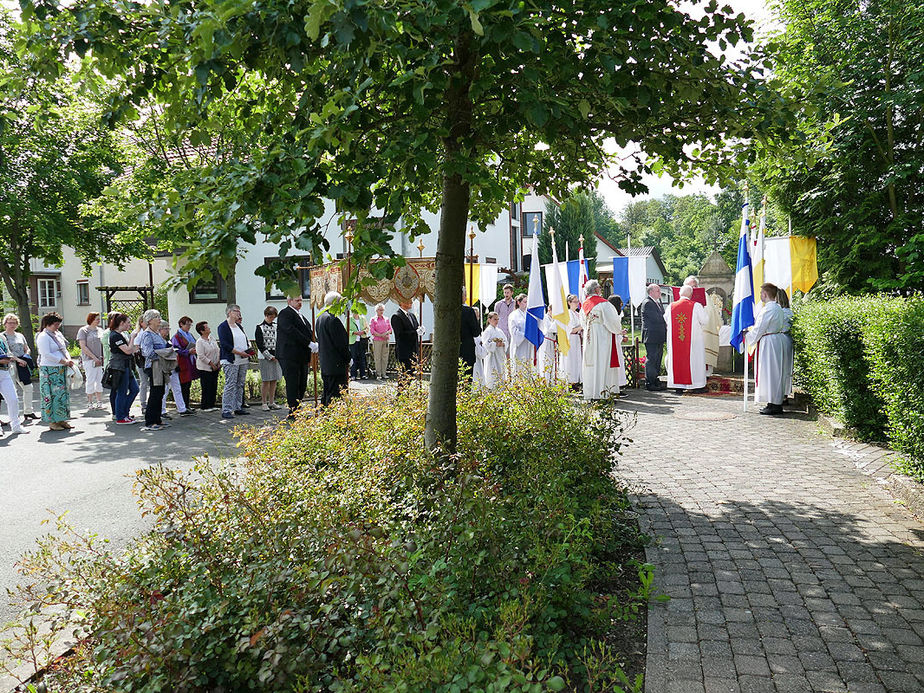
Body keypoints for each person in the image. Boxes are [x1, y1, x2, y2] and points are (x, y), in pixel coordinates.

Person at [581, 280, 627, 400]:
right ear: (596, 290)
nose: (601, 290)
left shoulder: (584, 305)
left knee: (591, 364)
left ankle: (591, 393)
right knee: (602, 364)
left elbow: (582, 323)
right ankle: (602, 394)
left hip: (589, 338)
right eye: (600, 288)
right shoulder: (604, 304)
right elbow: (613, 321)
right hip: (602, 339)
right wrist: (619, 330)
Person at [747, 283, 788, 415]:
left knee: (771, 372)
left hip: (769, 342)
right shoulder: (777, 308)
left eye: (761, 293)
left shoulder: (768, 309)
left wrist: (747, 337)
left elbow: (760, 328)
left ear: (765, 294)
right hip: (774, 341)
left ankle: (774, 404)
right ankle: (772, 401)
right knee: (774, 372)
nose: (760, 296)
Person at [275, 295, 317, 415]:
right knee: (293, 382)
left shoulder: (301, 315)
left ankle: (298, 406)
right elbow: (291, 331)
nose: (300, 302)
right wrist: (308, 343)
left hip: (301, 355)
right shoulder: (285, 314)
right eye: (297, 300)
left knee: (302, 383)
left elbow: (308, 331)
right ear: (289, 301)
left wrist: (315, 342)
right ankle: (293, 410)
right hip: (289, 355)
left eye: (301, 300)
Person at [664, 285, 708, 394]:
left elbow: (665, 319)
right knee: (694, 361)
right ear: (691, 295)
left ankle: (678, 387)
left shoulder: (670, 306)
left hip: (675, 341)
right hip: (693, 341)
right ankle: (696, 386)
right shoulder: (696, 306)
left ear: (679, 294)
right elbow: (705, 321)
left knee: (677, 360)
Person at [36, 312, 74, 431]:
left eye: (58, 324)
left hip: (60, 368)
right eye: (55, 324)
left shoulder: (57, 334)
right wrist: (63, 361)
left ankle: (61, 419)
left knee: (61, 395)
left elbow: (63, 348)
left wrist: (68, 359)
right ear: (48, 324)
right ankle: (52, 421)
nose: (57, 327)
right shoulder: (43, 336)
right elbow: (46, 354)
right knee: (51, 395)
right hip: (49, 369)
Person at [138, 309, 172, 431]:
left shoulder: (156, 333)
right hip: (153, 367)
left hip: (161, 366)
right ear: (150, 320)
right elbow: (147, 352)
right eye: (156, 317)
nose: (159, 319)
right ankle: (150, 421)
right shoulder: (147, 334)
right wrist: (164, 354)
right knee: (155, 393)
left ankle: (157, 419)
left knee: (160, 392)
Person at [218, 304, 252, 419]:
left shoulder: (239, 326)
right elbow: (225, 344)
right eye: (236, 311)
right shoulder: (223, 326)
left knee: (240, 383)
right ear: (229, 313)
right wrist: (238, 352)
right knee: (230, 384)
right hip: (231, 359)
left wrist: (247, 350)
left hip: (243, 359)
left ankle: (238, 406)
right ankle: (226, 409)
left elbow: (244, 339)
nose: (238, 313)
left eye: (239, 311)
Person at [316, 292, 350, 405]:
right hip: (335, 364)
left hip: (326, 363)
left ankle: (325, 416)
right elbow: (341, 344)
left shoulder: (320, 318)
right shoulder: (333, 320)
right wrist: (349, 358)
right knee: (335, 396)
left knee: (327, 392)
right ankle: (331, 419)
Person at [106, 312, 140, 424]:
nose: (130, 325)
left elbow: (130, 350)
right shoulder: (115, 336)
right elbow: (127, 350)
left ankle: (125, 412)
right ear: (121, 323)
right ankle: (120, 416)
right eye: (128, 323)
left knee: (135, 389)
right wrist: (132, 338)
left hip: (126, 366)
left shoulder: (120, 335)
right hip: (119, 367)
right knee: (122, 391)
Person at [3, 314, 37, 420]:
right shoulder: (2, 337)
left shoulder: (20, 335)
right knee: (13, 390)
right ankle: (14, 415)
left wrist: (26, 356)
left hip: (22, 364)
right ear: (5, 324)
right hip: (10, 365)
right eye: (10, 322)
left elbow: (27, 348)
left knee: (28, 387)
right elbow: (6, 353)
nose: (12, 325)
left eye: (14, 322)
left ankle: (28, 411)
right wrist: (18, 360)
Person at [158, 321, 191, 418]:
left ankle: (182, 408)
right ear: (160, 329)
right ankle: (162, 410)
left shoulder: (166, 340)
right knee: (165, 389)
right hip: (165, 367)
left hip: (172, 366)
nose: (168, 331)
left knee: (177, 388)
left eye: (168, 328)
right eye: (166, 328)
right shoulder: (159, 340)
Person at [255, 306, 283, 411]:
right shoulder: (260, 327)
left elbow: (279, 340)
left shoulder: (276, 327)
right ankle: (264, 402)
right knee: (266, 380)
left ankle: (272, 401)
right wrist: (269, 356)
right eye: (271, 317)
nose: (272, 319)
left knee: (274, 379)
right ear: (266, 315)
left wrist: (278, 355)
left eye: (274, 317)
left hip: (276, 356)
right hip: (265, 357)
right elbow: (260, 344)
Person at [641, 284, 667, 391]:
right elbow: (657, 318)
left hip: (658, 335)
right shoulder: (648, 303)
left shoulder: (657, 302)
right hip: (651, 335)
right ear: (651, 292)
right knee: (652, 358)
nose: (660, 293)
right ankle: (649, 382)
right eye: (658, 291)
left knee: (657, 358)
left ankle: (655, 379)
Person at [77, 312, 105, 410]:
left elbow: (104, 345)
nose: (98, 320)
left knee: (99, 380)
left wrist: (102, 357)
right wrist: (94, 357)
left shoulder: (100, 330)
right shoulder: (84, 330)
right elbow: (83, 346)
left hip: (100, 359)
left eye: (99, 319)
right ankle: (90, 401)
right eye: (96, 319)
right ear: (91, 319)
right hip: (89, 359)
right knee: (90, 379)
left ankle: (99, 401)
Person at [0, 332, 26, 436]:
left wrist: (10, 358)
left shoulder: (2, 337)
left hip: (5, 371)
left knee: (13, 399)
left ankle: (16, 426)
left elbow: (8, 352)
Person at [171, 316, 199, 413]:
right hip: (182, 362)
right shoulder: (176, 337)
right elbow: (176, 349)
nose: (189, 326)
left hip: (190, 361)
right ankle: (183, 406)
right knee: (184, 384)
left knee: (188, 384)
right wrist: (187, 351)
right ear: (181, 324)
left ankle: (187, 405)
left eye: (190, 324)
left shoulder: (189, 335)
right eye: (187, 324)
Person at [391, 299, 423, 378]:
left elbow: (416, 328)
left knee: (412, 376)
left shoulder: (412, 315)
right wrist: (415, 333)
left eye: (411, 301)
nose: (411, 303)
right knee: (404, 377)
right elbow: (400, 334)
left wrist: (421, 330)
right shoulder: (396, 316)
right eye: (408, 301)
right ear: (401, 302)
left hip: (413, 350)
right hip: (404, 352)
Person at [195, 321, 221, 411]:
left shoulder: (212, 338)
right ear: (202, 331)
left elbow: (218, 350)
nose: (209, 328)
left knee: (214, 385)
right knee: (206, 386)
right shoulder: (200, 342)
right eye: (206, 327)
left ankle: (212, 404)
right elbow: (201, 355)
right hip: (205, 368)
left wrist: (218, 362)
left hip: (216, 366)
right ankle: (205, 405)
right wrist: (211, 363)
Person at [507, 294, 532, 376]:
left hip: (528, 344)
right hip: (519, 345)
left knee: (528, 366)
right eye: (524, 302)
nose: (526, 304)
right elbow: (514, 332)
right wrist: (526, 335)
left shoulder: (528, 314)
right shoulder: (513, 315)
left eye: (527, 302)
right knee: (519, 367)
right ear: (518, 302)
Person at [460, 287, 482, 379]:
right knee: (467, 376)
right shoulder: (468, 311)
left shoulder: (447, 311)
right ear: (463, 296)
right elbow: (476, 332)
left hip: (452, 349)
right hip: (467, 348)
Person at [481, 312, 507, 389]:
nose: (497, 321)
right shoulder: (487, 331)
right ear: (489, 320)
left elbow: (506, 341)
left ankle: (501, 388)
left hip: (500, 355)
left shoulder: (499, 331)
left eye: (497, 319)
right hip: (492, 356)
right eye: (495, 319)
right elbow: (485, 344)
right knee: (492, 372)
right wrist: (495, 344)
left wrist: (503, 344)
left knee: (501, 371)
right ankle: (491, 388)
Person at [563, 294, 583, 389]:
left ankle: (576, 381)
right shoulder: (568, 314)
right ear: (569, 303)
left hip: (577, 339)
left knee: (577, 360)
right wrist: (582, 326)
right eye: (574, 302)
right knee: (571, 360)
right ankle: (570, 381)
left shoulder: (577, 314)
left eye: (577, 302)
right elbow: (571, 329)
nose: (577, 304)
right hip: (571, 338)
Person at [778, 289, 794, 399]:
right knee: (786, 367)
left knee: (780, 368)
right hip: (788, 339)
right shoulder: (790, 312)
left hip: (780, 339)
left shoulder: (780, 312)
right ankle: (785, 394)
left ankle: (780, 394)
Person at [369, 303, 392, 379]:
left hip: (386, 340)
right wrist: (380, 335)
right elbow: (372, 330)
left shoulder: (386, 319)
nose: (381, 311)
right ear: (376, 310)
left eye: (382, 310)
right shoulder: (373, 319)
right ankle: (378, 374)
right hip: (377, 340)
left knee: (385, 357)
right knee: (377, 357)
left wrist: (386, 333)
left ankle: (384, 373)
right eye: (380, 310)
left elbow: (390, 329)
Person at [132, 316, 149, 414]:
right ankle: (143, 403)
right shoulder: (138, 333)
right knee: (144, 382)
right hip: (142, 360)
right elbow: (136, 347)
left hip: (150, 360)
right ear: (141, 322)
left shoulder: (151, 332)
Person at [348, 308, 370, 380]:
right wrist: (353, 333)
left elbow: (367, 328)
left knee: (362, 357)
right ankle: (353, 375)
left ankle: (363, 374)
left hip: (361, 340)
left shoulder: (362, 318)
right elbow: (346, 329)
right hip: (353, 341)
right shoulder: (349, 319)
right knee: (353, 358)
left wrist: (363, 332)